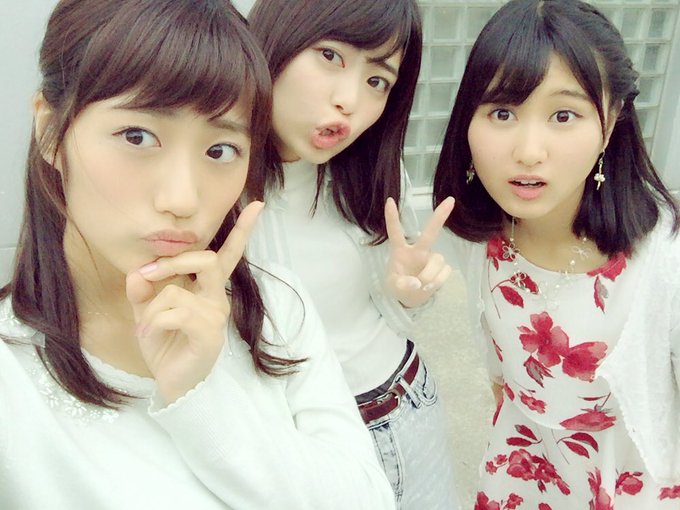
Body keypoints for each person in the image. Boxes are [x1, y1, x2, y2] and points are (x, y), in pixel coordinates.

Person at [0, 1, 396, 508]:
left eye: (220, 151)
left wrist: (201, 399)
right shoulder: (13, 382)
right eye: (138, 136)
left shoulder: (278, 306)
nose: (183, 199)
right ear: (50, 131)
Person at [432, 0, 680, 507]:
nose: (528, 151)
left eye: (563, 115)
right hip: (516, 478)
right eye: (502, 112)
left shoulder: (664, 262)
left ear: (610, 121)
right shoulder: (478, 235)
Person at [246, 1, 460, 508]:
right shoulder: (209, 184)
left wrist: (406, 294)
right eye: (330, 56)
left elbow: (389, 313)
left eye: (377, 81)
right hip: (297, 444)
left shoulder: (367, 175)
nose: (350, 101)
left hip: (406, 408)